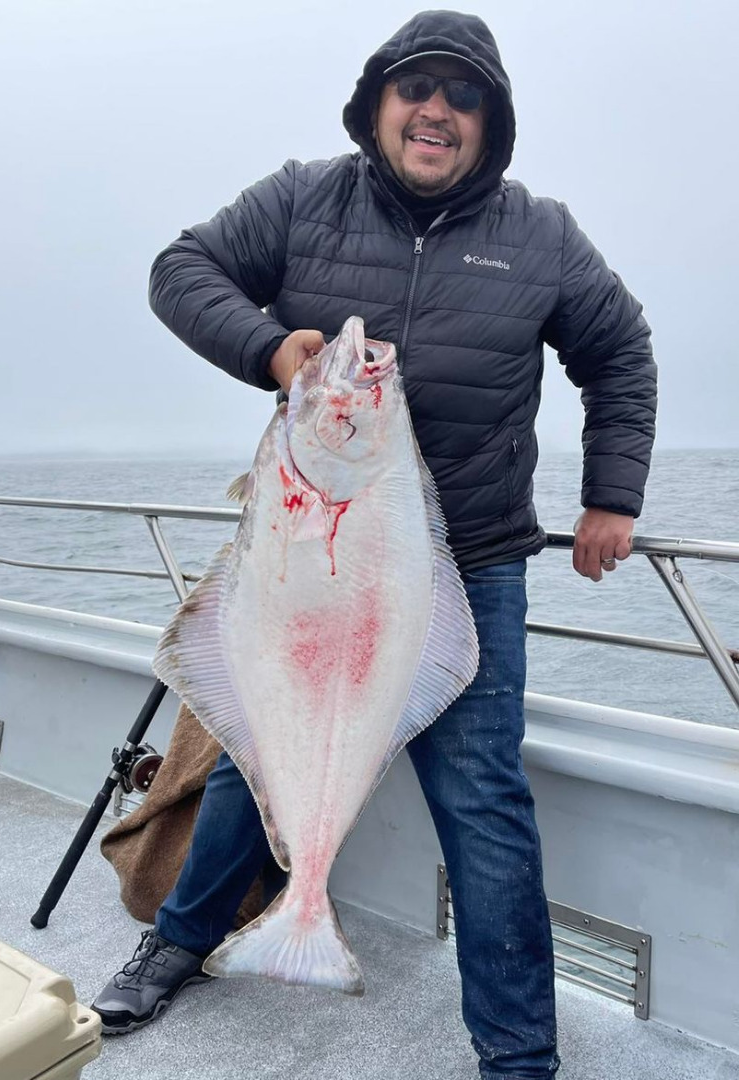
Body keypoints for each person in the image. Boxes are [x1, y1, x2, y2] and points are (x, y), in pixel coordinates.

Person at [91, 10, 656, 1076]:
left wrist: (608, 498)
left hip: (470, 561)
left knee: (481, 797)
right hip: (304, 548)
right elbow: (182, 269)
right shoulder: (305, 195)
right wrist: (270, 352)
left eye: (463, 96)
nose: (435, 111)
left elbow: (618, 354)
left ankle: (517, 1054)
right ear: (378, 103)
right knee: (248, 761)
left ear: (490, 122)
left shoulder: (540, 235)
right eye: (416, 90)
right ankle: (179, 942)